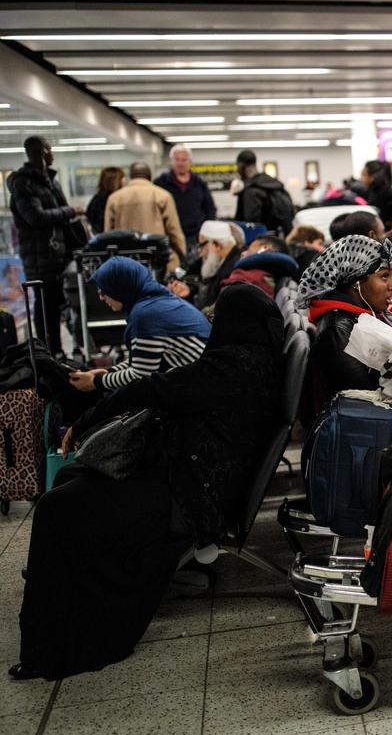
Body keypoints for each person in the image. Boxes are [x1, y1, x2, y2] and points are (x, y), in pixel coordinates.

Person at [10, 284, 283, 681]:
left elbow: (151, 387)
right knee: (74, 481)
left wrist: (85, 420)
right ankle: (55, 582)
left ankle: (46, 644)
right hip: (196, 479)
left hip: (187, 496)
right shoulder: (258, 361)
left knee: (57, 507)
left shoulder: (230, 367)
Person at [68, 256, 210, 393]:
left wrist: (96, 383)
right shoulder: (156, 300)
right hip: (203, 382)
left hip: (197, 390)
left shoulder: (146, 315)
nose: (101, 297)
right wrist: (109, 372)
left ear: (120, 288)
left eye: (104, 290)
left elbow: (141, 376)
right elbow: (142, 360)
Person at [297, 234, 392, 404]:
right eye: (384, 276)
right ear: (356, 282)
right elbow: (363, 396)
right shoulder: (339, 329)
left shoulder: (366, 316)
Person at [7, 136, 84, 353]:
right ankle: (49, 353)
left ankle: (62, 351)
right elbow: (35, 217)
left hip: (58, 255)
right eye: (49, 150)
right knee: (45, 309)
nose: (52, 155)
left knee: (61, 304)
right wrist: (71, 211)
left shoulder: (49, 181)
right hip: (39, 258)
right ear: (41, 152)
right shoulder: (23, 183)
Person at [104, 162, 186, 272]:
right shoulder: (163, 196)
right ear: (149, 176)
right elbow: (174, 231)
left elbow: (108, 234)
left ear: (130, 177)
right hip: (156, 261)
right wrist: (182, 255)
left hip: (125, 262)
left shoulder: (114, 198)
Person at [154, 144, 217, 252]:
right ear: (172, 161)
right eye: (177, 159)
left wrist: (205, 232)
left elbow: (210, 209)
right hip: (170, 237)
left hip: (195, 238)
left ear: (190, 162)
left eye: (184, 160)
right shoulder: (161, 182)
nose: (180, 163)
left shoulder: (199, 183)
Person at [168, 220, 241, 312]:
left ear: (216, 245)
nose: (200, 252)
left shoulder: (232, 271)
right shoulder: (214, 260)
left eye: (201, 245)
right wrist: (189, 291)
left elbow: (212, 305)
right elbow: (181, 271)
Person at [234, 150, 294, 234]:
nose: (237, 169)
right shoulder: (274, 184)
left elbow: (251, 224)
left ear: (242, 165)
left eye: (237, 166)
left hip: (261, 239)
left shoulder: (251, 191)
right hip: (279, 236)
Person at [359, 160, 392, 228]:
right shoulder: (372, 190)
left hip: (384, 231)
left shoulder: (383, 192)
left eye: (364, 175)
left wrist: (391, 219)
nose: (361, 178)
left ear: (372, 177)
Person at [85, 167, 124, 235]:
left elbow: (90, 220)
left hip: (101, 240)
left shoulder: (96, 199)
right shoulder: (121, 199)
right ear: (117, 181)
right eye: (122, 179)